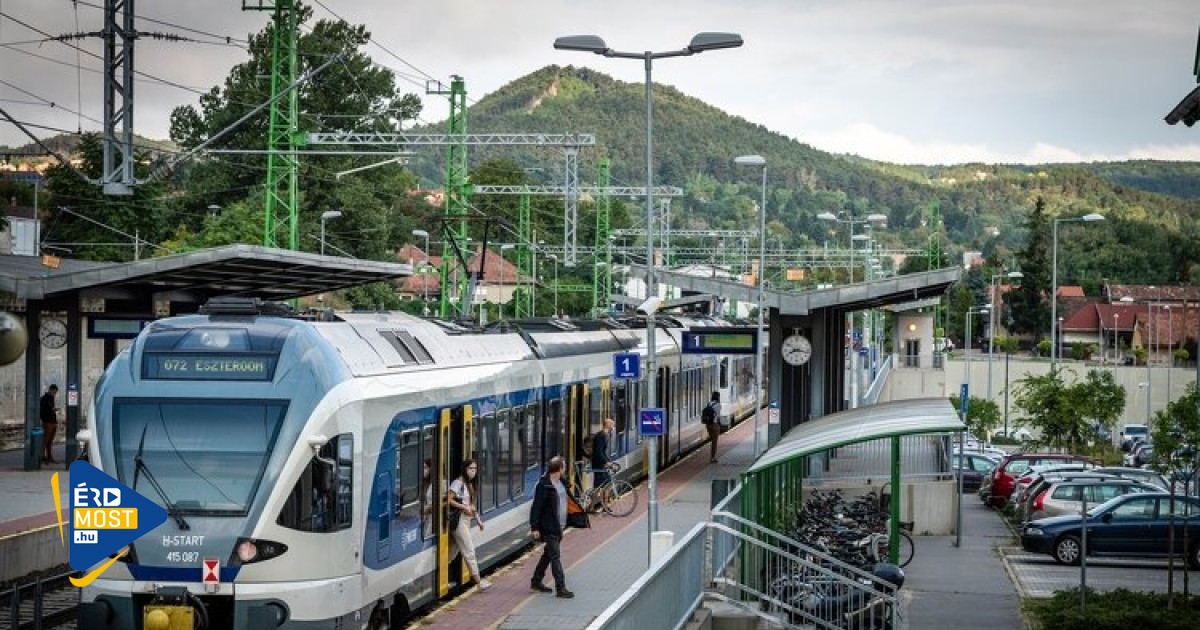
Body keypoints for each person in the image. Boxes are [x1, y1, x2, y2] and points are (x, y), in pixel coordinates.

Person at [529, 455, 573, 598]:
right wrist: (534, 527)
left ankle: (536, 581)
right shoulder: (544, 486)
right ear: (559, 469)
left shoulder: (562, 483)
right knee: (555, 556)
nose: (565, 469)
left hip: (560, 526)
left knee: (548, 554)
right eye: (564, 467)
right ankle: (561, 588)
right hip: (550, 526)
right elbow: (536, 507)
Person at [447, 458, 491, 590]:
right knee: (469, 549)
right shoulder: (458, 483)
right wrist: (462, 507)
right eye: (471, 468)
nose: (473, 471)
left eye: (475, 468)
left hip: (467, 520)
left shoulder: (470, 484)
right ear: (465, 469)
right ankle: (478, 582)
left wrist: (478, 520)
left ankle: (441, 577)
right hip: (459, 520)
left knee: (452, 552)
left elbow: (471, 505)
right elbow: (448, 500)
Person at [590, 418, 616, 510]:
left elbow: (603, 452)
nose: (613, 426)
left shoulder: (604, 435)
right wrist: (606, 462)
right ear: (607, 425)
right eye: (612, 424)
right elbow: (598, 452)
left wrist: (608, 461)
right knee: (598, 486)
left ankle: (604, 505)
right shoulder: (601, 436)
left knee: (606, 484)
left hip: (601, 464)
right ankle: (592, 506)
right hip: (598, 464)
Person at [39, 384, 58, 464]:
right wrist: (44, 419)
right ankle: (42, 457)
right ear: (50, 390)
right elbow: (43, 411)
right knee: (46, 441)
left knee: (50, 441)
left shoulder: (51, 398)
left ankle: (49, 457)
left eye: (55, 392)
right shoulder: (44, 399)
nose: (55, 394)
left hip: (53, 422)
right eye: (54, 392)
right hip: (48, 422)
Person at [702, 391, 721, 463]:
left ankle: (712, 457)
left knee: (712, 440)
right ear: (718, 397)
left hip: (708, 425)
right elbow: (718, 416)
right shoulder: (718, 405)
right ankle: (713, 458)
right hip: (715, 425)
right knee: (714, 442)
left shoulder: (709, 403)